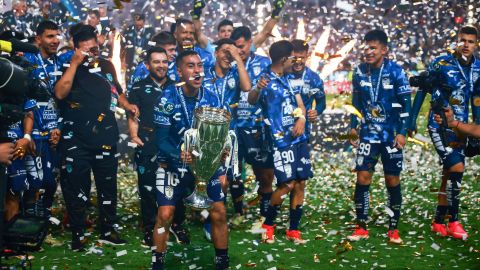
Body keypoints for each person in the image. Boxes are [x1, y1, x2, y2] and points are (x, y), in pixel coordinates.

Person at [54, 24, 138, 251]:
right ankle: (78, 232)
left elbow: (118, 93)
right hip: (76, 138)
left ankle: (109, 229)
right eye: (88, 49)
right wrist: (74, 64)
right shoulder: (64, 63)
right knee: (76, 187)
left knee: (107, 186)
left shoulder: (107, 65)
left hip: (106, 135)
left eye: (95, 48)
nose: (93, 53)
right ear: (76, 47)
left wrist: (127, 104)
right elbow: (60, 93)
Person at [152, 50, 229, 270]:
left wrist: (222, 149)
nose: (197, 71)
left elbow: (222, 133)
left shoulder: (212, 98)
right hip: (173, 166)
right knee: (165, 214)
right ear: (179, 71)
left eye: (200, 66)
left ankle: (222, 263)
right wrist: (178, 154)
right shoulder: (167, 98)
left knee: (219, 211)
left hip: (205, 167)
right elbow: (161, 140)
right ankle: (157, 264)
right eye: (190, 66)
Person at [409, 26, 480, 239]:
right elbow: (423, 88)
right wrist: (412, 120)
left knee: (449, 172)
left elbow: (476, 99)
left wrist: (476, 124)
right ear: (456, 41)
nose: (466, 45)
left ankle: (438, 220)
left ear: (476, 44)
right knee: (457, 166)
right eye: (462, 40)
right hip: (438, 124)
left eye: (470, 41)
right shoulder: (441, 63)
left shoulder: (478, 68)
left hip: (459, 125)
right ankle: (454, 220)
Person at [347, 30, 411, 244]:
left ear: (384, 50)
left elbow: (406, 105)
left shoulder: (395, 71)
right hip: (368, 135)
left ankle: (393, 228)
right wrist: (353, 126)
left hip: (390, 136)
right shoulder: (358, 72)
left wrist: (402, 132)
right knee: (362, 177)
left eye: (373, 47)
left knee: (392, 179)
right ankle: (361, 226)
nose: (368, 51)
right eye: (366, 47)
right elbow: (355, 104)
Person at [248, 40, 310, 244]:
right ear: (284, 59)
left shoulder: (293, 77)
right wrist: (257, 89)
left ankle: (293, 230)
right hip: (280, 140)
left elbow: (299, 103)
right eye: (292, 56)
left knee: (300, 182)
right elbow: (252, 99)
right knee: (287, 184)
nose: (295, 60)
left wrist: (301, 118)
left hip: (299, 138)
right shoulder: (264, 78)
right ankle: (269, 224)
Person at [127, 47, 174, 247]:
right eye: (156, 62)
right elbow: (132, 115)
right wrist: (134, 136)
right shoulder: (138, 87)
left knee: (173, 186)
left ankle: (175, 226)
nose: (161, 65)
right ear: (147, 65)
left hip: (172, 144)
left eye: (164, 61)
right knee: (147, 188)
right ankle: (149, 228)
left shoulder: (177, 86)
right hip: (147, 142)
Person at [203, 38, 251, 230]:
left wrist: (237, 59)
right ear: (215, 53)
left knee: (224, 180)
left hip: (230, 135)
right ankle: (210, 217)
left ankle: (213, 219)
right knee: (211, 178)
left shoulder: (235, 73)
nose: (227, 56)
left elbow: (247, 88)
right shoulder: (204, 73)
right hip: (207, 135)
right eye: (224, 51)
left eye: (230, 53)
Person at [231, 26, 274, 226]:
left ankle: (265, 214)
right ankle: (239, 212)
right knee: (234, 173)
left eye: (242, 46)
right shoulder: (229, 64)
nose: (239, 50)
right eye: (236, 47)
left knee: (264, 173)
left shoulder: (265, 64)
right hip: (234, 128)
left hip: (257, 127)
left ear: (250, 43)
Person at [22, 20, 63, 217]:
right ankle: (29, 220)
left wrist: (59, 126)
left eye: (57, 36)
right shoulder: (27, 61)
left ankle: (43, 217)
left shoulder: (60, 62)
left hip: (55, 130)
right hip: (35, 130)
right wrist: (27, 134)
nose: (55, 40)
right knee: (34, 180)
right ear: (38, 39)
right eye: (50, 36)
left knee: (51, 179)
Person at [192, 0, 286, 54]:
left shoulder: (243, 49)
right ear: (218, 34)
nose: (226, 33)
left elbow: (264, 33)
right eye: (223, 31)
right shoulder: (213, 49)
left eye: (229, 31)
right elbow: (198, 34)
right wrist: (196, 15)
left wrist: (275, 14)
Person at [288, 39, 326, 139]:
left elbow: (322, 102)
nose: (298, 62)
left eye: (302, 58)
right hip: (281, 130)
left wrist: (316, 111)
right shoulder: (282, 74)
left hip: (302, 131)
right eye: (295, 58)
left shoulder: (314, 78)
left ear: (307, 56)